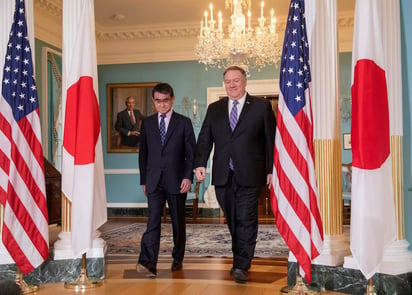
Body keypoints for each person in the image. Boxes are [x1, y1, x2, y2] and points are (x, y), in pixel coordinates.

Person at [194, 65, 276, 284]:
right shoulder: (214, 108)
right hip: (222, 174)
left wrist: (271, 169)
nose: (231, 85)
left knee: (246, 218)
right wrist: (199, 163)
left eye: (236, 80)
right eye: (228, 81)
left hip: (250, 173)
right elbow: (204, 138)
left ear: (245, 81)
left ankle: (241, 264)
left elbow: (271, 140)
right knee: (232, 219)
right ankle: (240, 255)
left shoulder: (261, 106)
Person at [136, 82, 196, 277]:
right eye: (158, 101)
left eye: (165, 100)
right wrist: (144, 179)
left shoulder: (184, 122)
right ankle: (148, 262)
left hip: (177, 180)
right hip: (154, 180)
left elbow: (191, 154)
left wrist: (188, 177)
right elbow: (143, 153)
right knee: (152, 221)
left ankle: (178, 257)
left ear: (172, 100)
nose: (162, 104)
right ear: (153, 101)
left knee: (178, 222)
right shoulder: (147, 123)